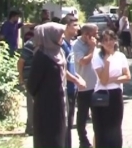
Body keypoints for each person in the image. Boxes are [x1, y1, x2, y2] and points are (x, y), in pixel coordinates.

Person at [27, 23, 67, 148]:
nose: (63, 37)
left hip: (59, 102)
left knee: (59, 137)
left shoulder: (58, 52)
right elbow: (32, 84)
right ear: (50, 36)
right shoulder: (41, 56)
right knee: (47, 139)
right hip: (45, 106)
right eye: (60, 34)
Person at [91, 29, 131, 148]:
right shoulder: (97, 57)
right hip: (101, 94)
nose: (108, 42)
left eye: (111, 39)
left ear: (115, 40)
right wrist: (107, 63)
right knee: (101, 128)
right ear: (101, 43)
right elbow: (103, 80)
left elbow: (127, 76)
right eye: (105, 40)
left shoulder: (121, 56)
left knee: (115, 127)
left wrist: (113, 79)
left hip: (116, 94)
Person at [73, 24, 99, 148]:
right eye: (95, 33)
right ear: (86, 34)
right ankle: (83, 141)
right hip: (83, 87)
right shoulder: (76, 46)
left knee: (98, 116)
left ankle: (98, 140)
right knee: (82, 116)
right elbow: (84, 61)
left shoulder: (94, 43)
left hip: (97, 86)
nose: (97, 36)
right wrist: (92, 48)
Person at [61, 15, 84, 148]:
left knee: (69, 123)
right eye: (75, 25)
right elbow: (61, 69)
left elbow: (70, 66)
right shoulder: (62, 44)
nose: (78, 28)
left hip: (72, 89)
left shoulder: (71, 43)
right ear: (66, 27)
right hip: (65, 89)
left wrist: (78, 77)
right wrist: (76, 79)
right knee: (65, 124)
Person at [17, 31, 36, 136]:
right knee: (31, 103)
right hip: (30, 77)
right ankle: (31, 128)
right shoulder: (30, 44)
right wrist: (21, 77)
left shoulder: (45, 43)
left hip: (40, 77)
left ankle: (30, 127)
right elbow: (21, 61)